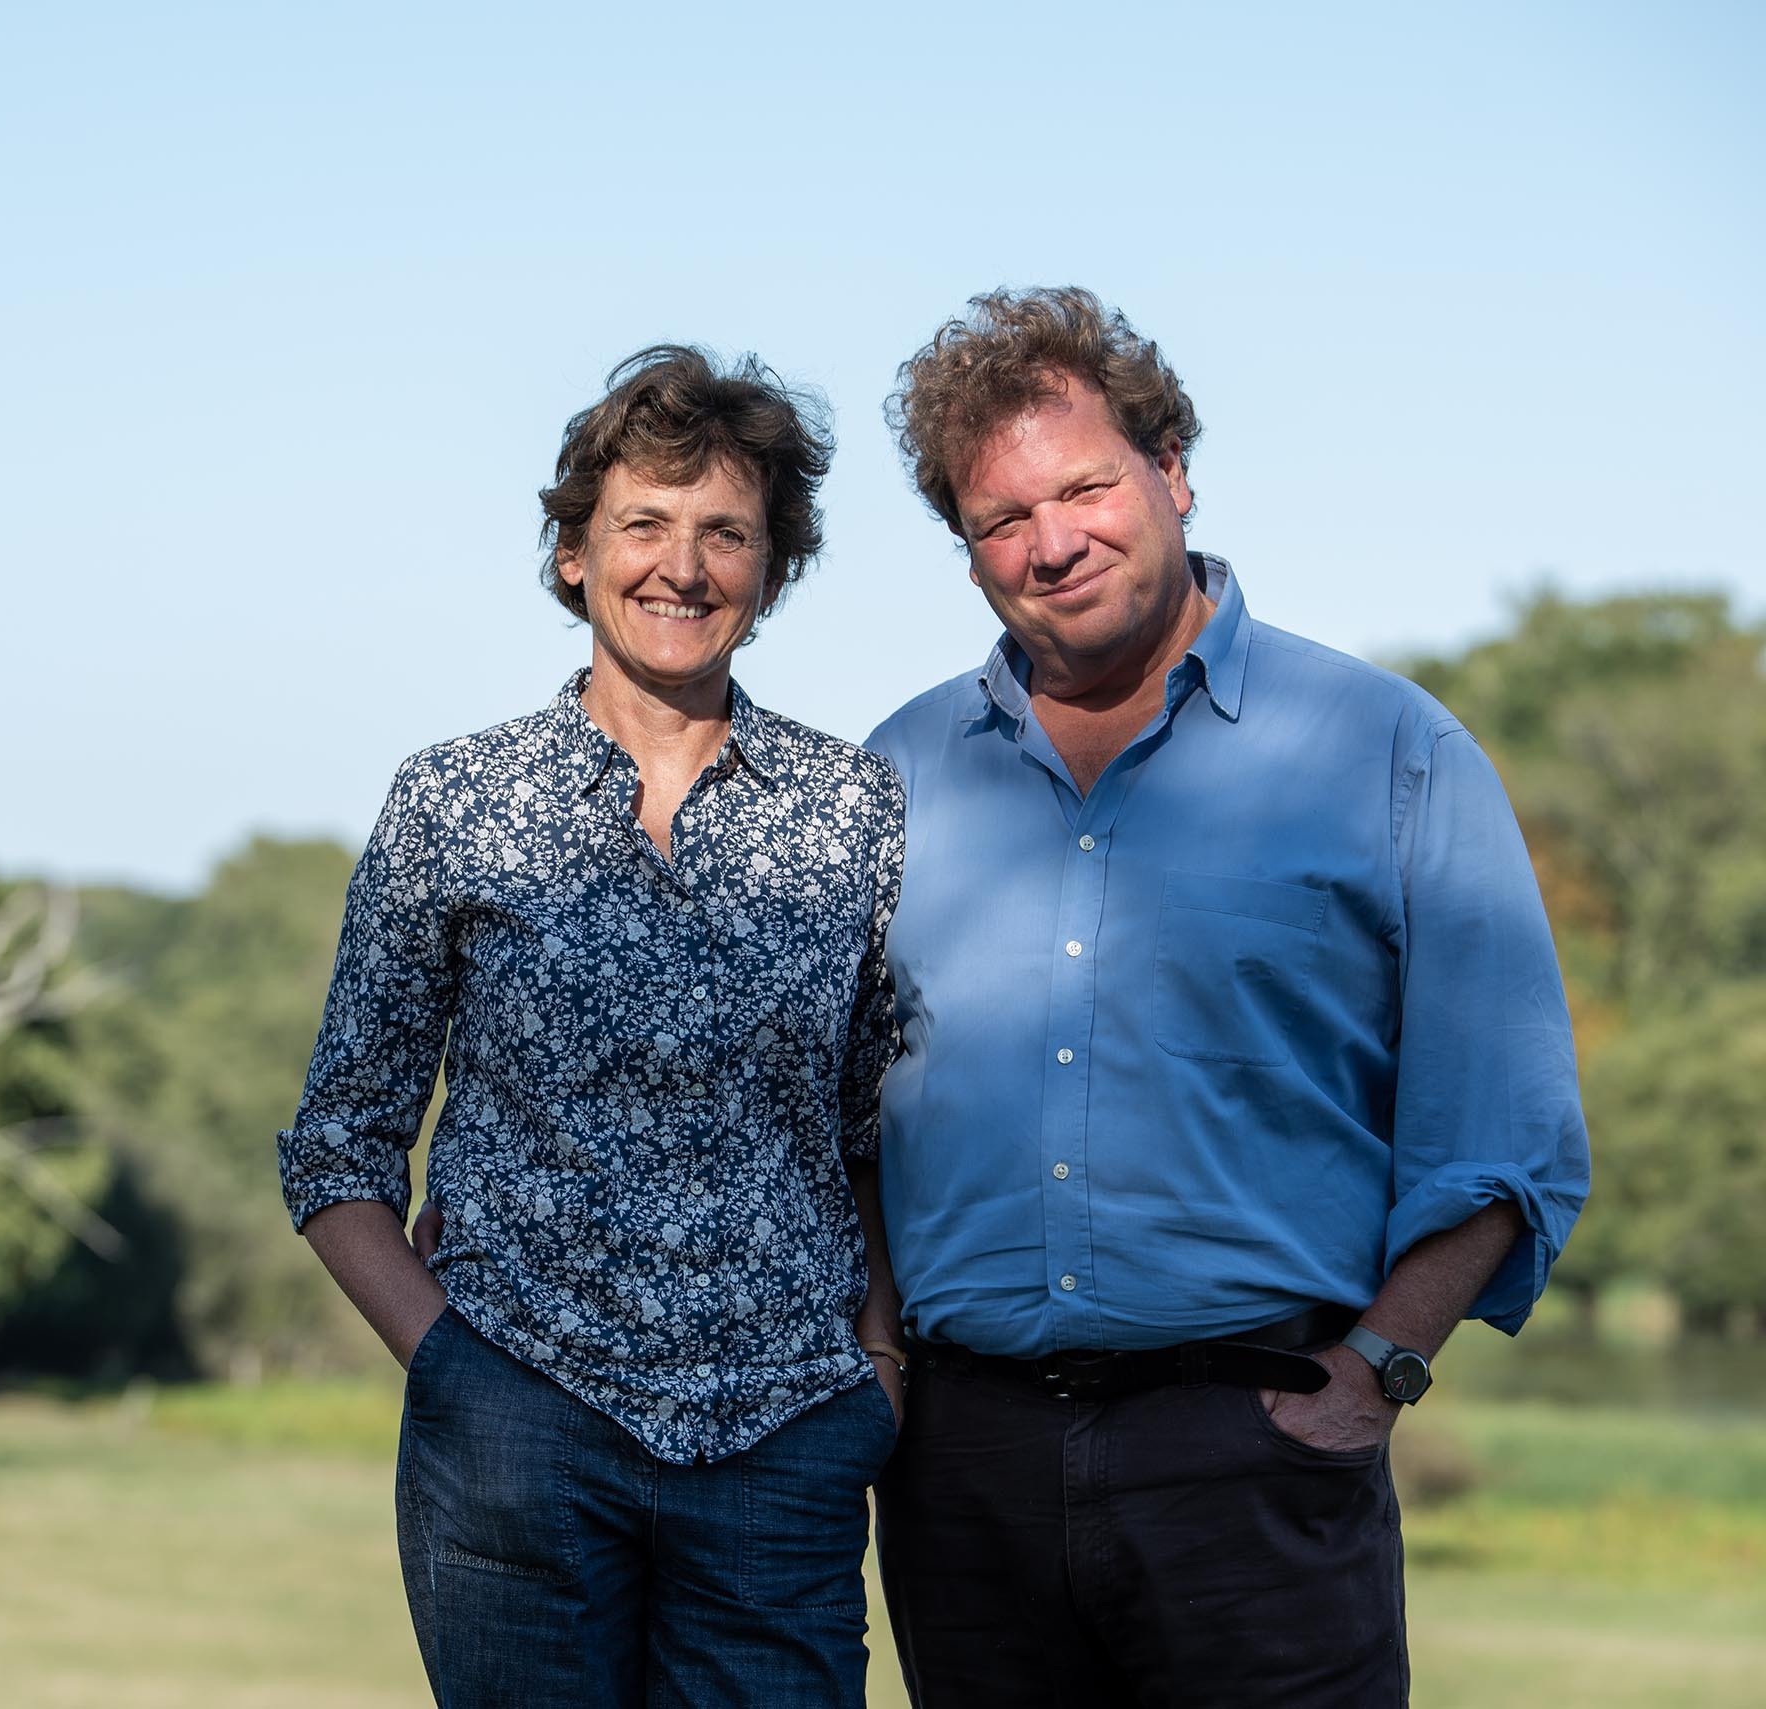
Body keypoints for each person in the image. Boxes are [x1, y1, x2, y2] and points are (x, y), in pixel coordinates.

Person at [861, 287, 1592, 1707]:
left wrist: (1377, 1371)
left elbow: (1506, 1127)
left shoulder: (1387, 749)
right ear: (968, 553)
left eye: (1085, 485)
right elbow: (834, 1114)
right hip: (963, 1475)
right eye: (1001, 517)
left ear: (1174, 470)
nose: (1052, 540)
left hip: (1257, 1457)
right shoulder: (892, 777)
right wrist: (882, 1352)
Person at [278, 344, 910, 1707]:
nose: (681, 565)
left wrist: (879, 1362)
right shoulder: (454, 800)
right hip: (517, 1432)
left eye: (727, 532)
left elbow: (877, 1126)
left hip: (784, 1438)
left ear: (771, 569)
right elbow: (338, 1144)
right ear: (575, 552)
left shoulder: (856, 811)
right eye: (645, 523)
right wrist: (452, 1369)